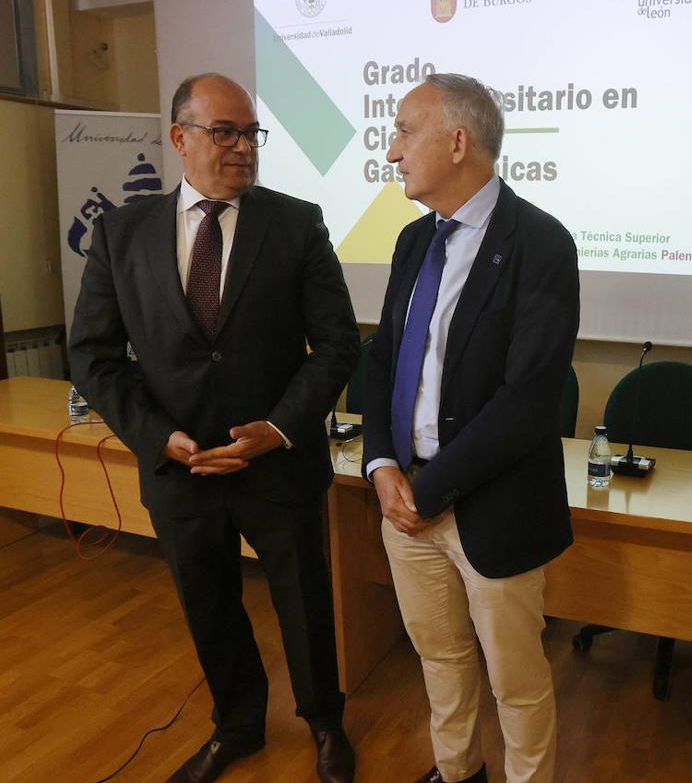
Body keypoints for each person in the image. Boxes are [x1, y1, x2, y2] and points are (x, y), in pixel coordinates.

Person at [69, 73, 360, 783]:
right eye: (223, 132)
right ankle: (237, 724)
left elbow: (339, 344)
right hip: (181, 469)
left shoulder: (297, 223)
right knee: (209, 605)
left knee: (304, 603)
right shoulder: (121, 233)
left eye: (250, 134)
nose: (242, 148)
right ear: (180, 138)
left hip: (277, 464)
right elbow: (93, 355)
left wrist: (281, 428)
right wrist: (153, 434)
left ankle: (325, 722)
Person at [361, 73, 579, 783]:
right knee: (441, 660)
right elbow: (383, 360)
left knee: (515, 680)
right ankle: (458, 773)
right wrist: (381, 464)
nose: (392, 151)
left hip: (492, 506)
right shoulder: (409, 242)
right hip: (405, 500)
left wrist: (434, 491)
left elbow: (529, 400)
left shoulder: (539, 242)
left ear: (458, 142)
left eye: (403, 131)